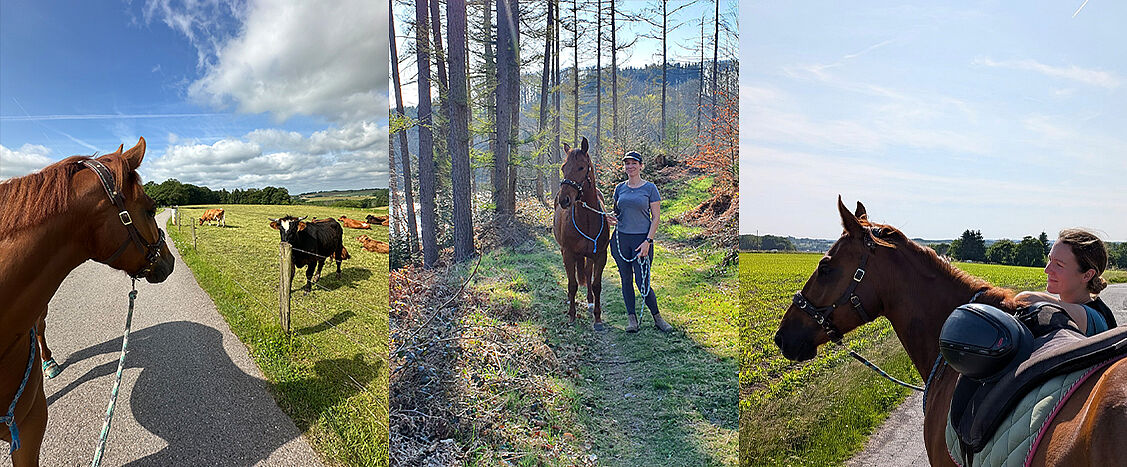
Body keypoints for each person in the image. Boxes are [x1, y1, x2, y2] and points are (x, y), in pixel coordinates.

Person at [605, 151, 673, 333]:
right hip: (620, 240)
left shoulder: (650, 188)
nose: (630, 166)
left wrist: (648, 241)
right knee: (626, 279)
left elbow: (656, 217)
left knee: (642, 282)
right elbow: (617, 213)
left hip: (642, 240)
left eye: (634, 163)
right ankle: (632, 320)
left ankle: (658, 318)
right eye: (627, 163)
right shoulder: (619, 188)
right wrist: (610, 218)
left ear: (641, 166)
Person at [1016, 228, 1117, 336]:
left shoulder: (1094, 318)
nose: (1047, 270)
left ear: (1087, 275)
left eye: (1059, 265)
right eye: (1050, 259)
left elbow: (1026, 298)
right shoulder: (1089, 310)